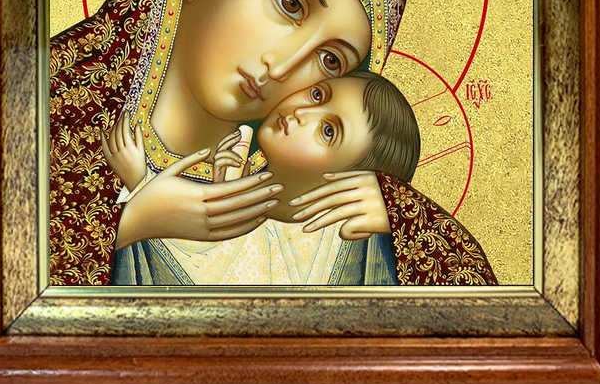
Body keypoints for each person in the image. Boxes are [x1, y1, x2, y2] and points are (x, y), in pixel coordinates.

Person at [50, 0, 495, 287]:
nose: (283, 68)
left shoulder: (336, 220)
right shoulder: (47, 102)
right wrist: (131, 223)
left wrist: (399, 215)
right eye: (289, 4)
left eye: (330, 60)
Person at [103, 71, 424, 286]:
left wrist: (139, 184)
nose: (302, 112)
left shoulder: (336, 246)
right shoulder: (245, 190)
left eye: (328, 131)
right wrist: (223, 191)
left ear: (350, 183)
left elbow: (221, 288)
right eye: (317, 94)